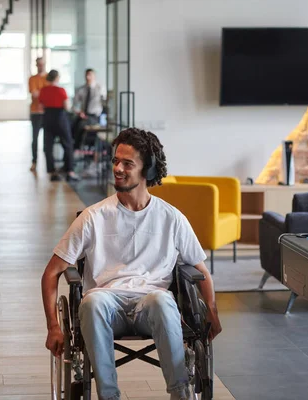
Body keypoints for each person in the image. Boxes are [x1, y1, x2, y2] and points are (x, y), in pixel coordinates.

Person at [41, 128, 222, 400]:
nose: (118, 168)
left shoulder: (171, 218)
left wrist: (212, 313)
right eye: (115, 161)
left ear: (147, 170)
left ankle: (180, 393)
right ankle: (109, 396)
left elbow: (201, 271)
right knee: (91, 301)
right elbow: (51, 273)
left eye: (128, 163)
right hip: (105, 304)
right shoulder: (93, 217)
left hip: (152, 304)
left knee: (162, 301)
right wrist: (54, 326)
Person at [38, 69, 80, 182]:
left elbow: (40, 107)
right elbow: (66, 107)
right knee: (68, 144)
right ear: (57, 78)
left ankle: (52, 172)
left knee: (48, 146)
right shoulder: (61, 90)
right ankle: (69, 171)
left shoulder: (43, 90)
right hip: (60, 118)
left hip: (47, 118)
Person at [72, 68, 106, 150]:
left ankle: (76, 147)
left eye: (90, 75)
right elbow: (74, 104)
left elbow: (105, 101)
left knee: (81, 125)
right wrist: (79, 112)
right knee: (72, 124)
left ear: (94, 76)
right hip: (83, 115)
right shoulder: (82, 89)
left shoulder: (100, 88)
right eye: (86, 75)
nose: (88, 77)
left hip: (94, 116)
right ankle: (73, 145)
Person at [28, 57, 49, 173]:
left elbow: (46, 94)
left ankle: (47, 163)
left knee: (47, 139)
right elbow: (34, 93)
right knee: (34, 138)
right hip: (35, 112)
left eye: (42, 64)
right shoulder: (32, 79)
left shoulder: (48, 78)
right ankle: (34, 161)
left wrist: (43, 94)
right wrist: (46, 93)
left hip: (47, 113)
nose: (40, 66)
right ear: (36, 65)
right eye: (38, 64)